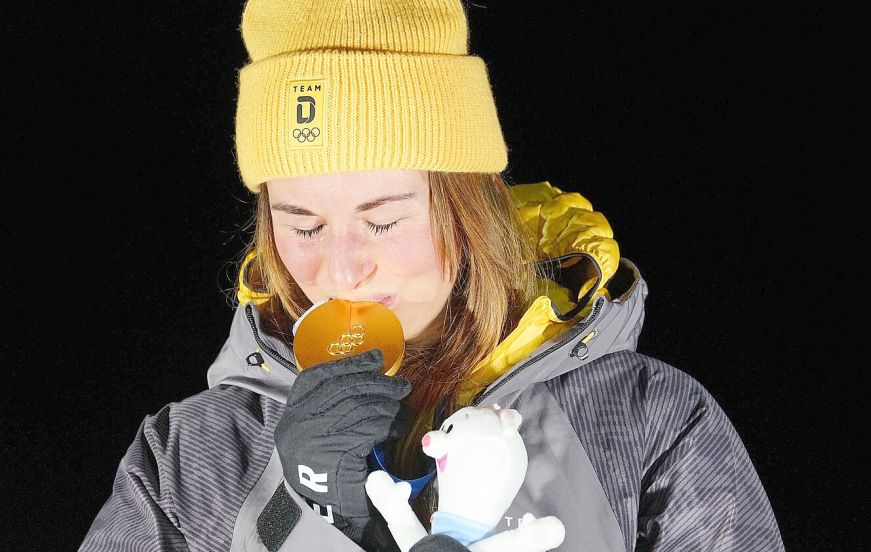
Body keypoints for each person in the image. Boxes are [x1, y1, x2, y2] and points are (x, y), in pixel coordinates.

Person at [80, 1, 785, 551]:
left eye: (383, 221)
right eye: (303, 226)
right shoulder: (192, 455)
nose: (342, 270)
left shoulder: (648, 423)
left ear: (469, 208)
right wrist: (319, 522)